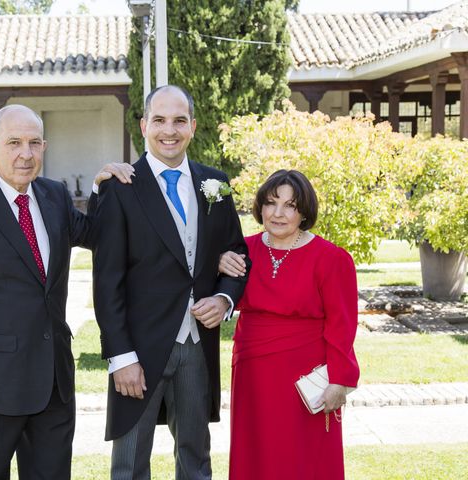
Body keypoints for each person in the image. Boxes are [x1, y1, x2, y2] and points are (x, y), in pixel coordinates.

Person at [0, 104, 133, 480]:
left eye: (34, 143)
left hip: (53, 383)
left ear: (44, 146)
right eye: (14, 143)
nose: (26, 153)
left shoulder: (54, 196)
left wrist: (102, 188)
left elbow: (98, 236)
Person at [92, 85, 250, 480]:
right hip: (139, 351)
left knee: (196, 459)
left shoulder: (214, 184)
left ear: (192, 127)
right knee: (129, 463)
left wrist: (225, 300)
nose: (169, 130)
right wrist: (121, 357)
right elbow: (107, 281)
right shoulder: (121, 187)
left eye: (179, 120)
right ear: (144, 125)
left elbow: (237, 254)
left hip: (197, 345)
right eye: (159, 120)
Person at [219, 169, 360, 480]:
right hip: (252, 374)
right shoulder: (242, 251)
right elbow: (216, 296)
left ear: (304, 210)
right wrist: (218, 266)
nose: (278, 214)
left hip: (306, 378)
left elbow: (343, 325)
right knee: (255, 453)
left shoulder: (331, 259)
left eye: (290, 206)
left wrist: (340, 380)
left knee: (304, 458)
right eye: (271, 203)